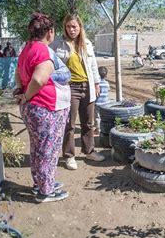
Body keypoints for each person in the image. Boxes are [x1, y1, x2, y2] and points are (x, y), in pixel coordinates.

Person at [14, 13, 71, 203]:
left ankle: (41, 183)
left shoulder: (26, 49)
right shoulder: (43, 50)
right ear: (50, 32)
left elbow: (17, 74)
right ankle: (46, 191)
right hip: (45, 107)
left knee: (38, 148)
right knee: (48, 149)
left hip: (34, 108)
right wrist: (27, 96)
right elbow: (39, 79)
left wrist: (21, 94)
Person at [50, 14, 104, 170]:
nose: (71, 29)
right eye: (68, 26)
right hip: (69, 88)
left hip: (87, 87)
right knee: (70, 124)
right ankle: (69, 156)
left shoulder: (86, 43)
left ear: (80, 27)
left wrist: (96, 83)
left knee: (88, 122)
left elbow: (93, 65)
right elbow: (50, 63)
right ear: (65, 28)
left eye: (74, 26)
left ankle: (89, 151)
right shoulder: (57, 44)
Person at [94, 66, 111, 134]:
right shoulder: (107, 83)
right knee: (104, 116)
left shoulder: (97, 84)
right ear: (106, 75)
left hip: (98, 103)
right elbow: (108, 91)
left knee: (97, 117)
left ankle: (98, 129)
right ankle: (104, 128)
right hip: (106, 103)